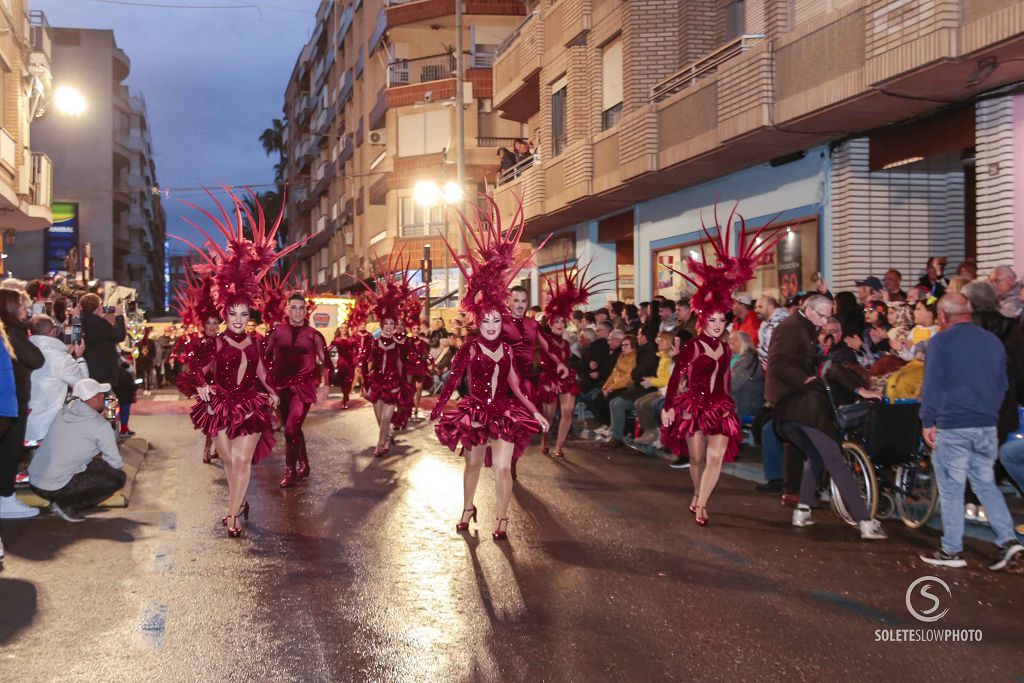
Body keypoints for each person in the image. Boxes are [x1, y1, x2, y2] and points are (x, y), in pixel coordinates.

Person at [431, 197, 548, 540]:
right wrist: (438, 409)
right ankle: (468, 507)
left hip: (504, 411)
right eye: (487, 320)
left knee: (500, 467)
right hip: (474, 412)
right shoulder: (468, 348)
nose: (493, 325)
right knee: (471, 464)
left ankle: (502, 518)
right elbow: (453, 379)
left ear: (501, 321)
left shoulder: (509, 351)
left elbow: (515, 386)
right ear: (479, 321)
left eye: (498, 319)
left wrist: (535, 412)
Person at [177, 188, 289, 538]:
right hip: (220, 406)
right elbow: (194, 369)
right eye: (233, 313)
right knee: (228, 461)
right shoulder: (213, 342)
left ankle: (232, 515)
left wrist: (270, 390)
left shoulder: (255, 342)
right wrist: (203, 385)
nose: (239, 318)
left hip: (250, 405)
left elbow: (260, 371)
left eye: (244, 313)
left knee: (242, 461)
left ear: (248, 312)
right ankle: (238, 501)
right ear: (224, 312)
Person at [766, 294, 887, 539]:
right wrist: (806, 380)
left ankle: (803, 510)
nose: (824, 322)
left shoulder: (803, 327)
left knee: (816, 455)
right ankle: (865, 521)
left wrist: (858, 389)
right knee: (833, 457)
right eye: (821, 316)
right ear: (807, 309)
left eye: (828, 317)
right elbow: (777, 363)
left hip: (792, 408)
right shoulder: (792, 327)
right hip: (802, 406)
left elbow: (825, 367)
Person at [919, 294, 1022, 570]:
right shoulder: (992, 341)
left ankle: (952, 550)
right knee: (985, 484)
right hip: (986, 425)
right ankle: (1009, 541)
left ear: (942, 316)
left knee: (952, 489)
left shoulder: (940, 342)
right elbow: (1002, 385)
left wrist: (928, 420)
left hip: (953, 424)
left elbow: (932, 385)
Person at [27, 379, 127, 522]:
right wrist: (106, 436)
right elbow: (115, 463)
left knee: (92, 463)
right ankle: (66, 504)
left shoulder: (63, 411)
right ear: (94, 398)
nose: (103, 398)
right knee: (118, 477)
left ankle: (63, 498)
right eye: (100, 395)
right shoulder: (100, 426)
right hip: (55, 487)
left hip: (35, 482)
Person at [264, 293, 330, 487]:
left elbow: (326, 363)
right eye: (294, 307)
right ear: (287, 309)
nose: (298, 311)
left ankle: (290, 471)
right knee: (292, 428)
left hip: (303, 388)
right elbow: (264, 357)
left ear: (305, 310)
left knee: (292, 428)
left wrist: (326, 386)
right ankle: (304, 463)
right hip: (280, 386)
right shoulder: (277, 332)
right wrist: (266, 384)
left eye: (301, 308)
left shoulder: (314, 334)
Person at [536, 265, 601, 458]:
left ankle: (559, 447)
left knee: (567, 412)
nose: (559, 325)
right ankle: (545, 439)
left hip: (565, 380)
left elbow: (569, 359)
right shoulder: (544, 340)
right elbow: (544, 361)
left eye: (562, 322)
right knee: (548, 416)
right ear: (550, 324)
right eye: (556, 322)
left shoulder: (566, 342)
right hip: (549, 379)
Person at [359, 262, 417, 458]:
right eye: (387, 324)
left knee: (386, 417)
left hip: (393, 385)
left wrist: (402, 385)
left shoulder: (400, 345)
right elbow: (364, 363)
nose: (390, 327)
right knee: (379, 418)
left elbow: (402, 366)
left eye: (393, 323)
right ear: (381, 324)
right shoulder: (372, 342)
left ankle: (380, 443)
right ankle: (385, 438)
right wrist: (365, 383)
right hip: (376, 383)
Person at [0, 289, 44, 519]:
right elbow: (36, 359)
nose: (26, 310)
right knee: (9, 451)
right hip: (10, 401)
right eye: (22, 306)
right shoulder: (13, 333)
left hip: (10, 399)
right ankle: (5, 498)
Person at [26, 314, 89, 445]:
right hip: (48, 423)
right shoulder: (59, 357)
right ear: (53, 331)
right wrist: (79, 357)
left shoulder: (23, 350)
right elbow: (83, 384)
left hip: (26, 420)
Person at [78, 293, 126, 386]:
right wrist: (119, 316)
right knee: (105, 396)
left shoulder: (80, 320)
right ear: (98, 306)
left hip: (87, 367)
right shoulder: (99, 323)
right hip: (103, 369)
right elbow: (119, 336)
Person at [729, 331, 764, 419]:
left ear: (744, 343)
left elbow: (732, 385)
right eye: (729, 340)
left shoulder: (747, 360)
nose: (730, 342)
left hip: (744, 407)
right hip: (743, 404)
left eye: (734, 340)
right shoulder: (747, 358)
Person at [330, 323, 359, 408]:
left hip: (350, 364)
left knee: (349, 381)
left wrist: (356, 359)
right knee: (342, 381)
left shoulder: (352, 340)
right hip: (341, 364)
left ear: (347, 329)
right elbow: (329, 348)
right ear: (340, 329)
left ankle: (345, 396)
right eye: (342, 328)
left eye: (345, 328)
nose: (344, 329)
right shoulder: (336, 340)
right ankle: (345, 396)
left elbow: (357, 351)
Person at [754, 295, 788, 369]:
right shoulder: (767, 321)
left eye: (760, 307)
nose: (756, 310)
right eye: (756, 307)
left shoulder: (776, 323)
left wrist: (749, 352)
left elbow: (768, 350)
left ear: (771, 307)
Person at [135, 328, 157, 395]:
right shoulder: (151, 342)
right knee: (148, 375)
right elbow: (154, 352)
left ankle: (145, 389)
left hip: (142, 361)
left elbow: (136, 354)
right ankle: (147, 389)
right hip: (148, 361)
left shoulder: (138, 343)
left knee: (143, 375)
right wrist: (151, 358)